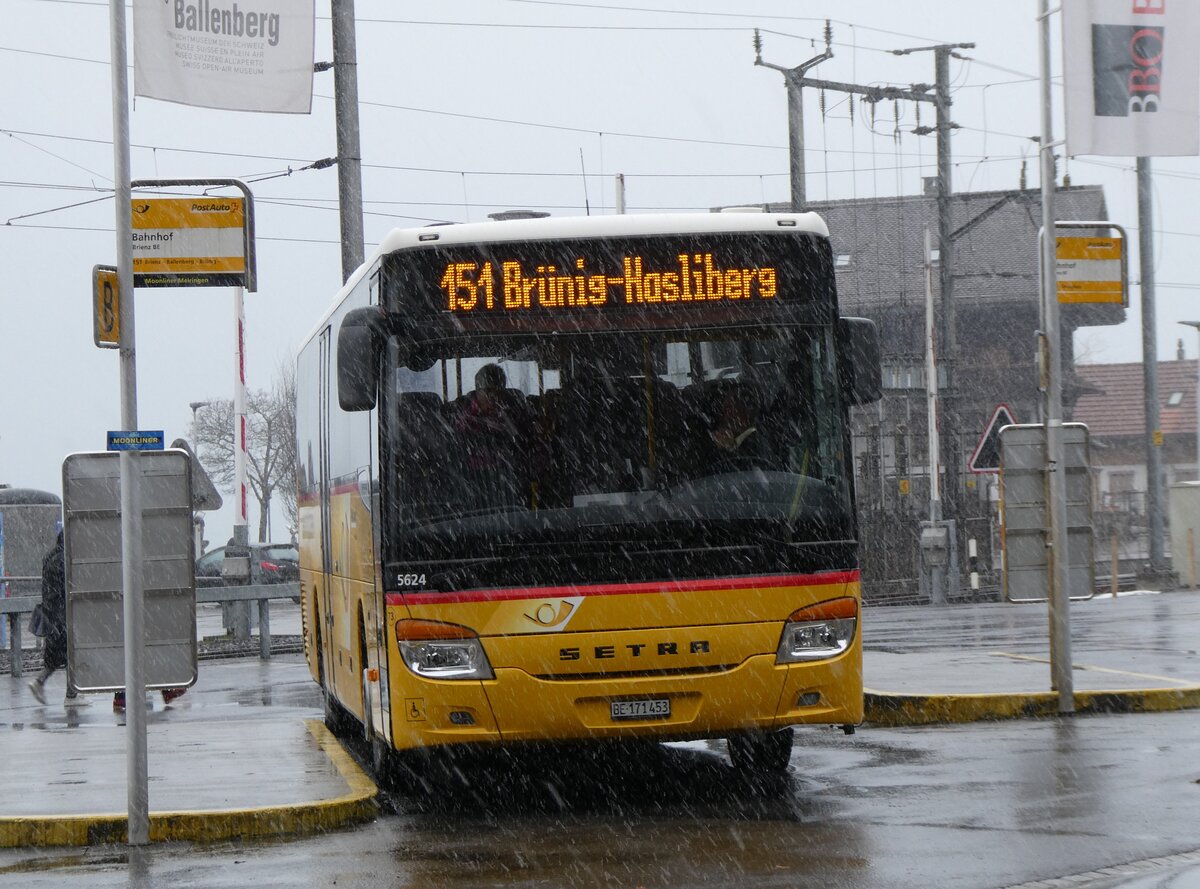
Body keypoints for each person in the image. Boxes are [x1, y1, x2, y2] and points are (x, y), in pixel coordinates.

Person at [28, 530, 86, 707]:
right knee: (70, 652)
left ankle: (67, 691)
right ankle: (70, 694)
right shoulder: (63, 560)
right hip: (62, 614)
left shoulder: (51, 557)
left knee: (62, 654)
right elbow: (67, 589)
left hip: (52, 613)